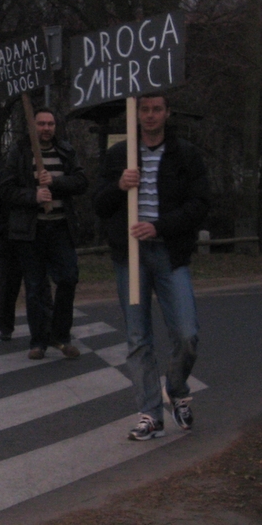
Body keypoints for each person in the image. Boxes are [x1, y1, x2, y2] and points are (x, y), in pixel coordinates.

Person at [93, 93, 209, 441]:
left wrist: (159, 226)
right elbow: (98, 204)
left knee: (187, 334)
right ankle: (149, 414)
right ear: (136, 113)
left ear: (167, 113)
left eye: (157, 109)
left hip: (169, 253)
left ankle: (175, 388)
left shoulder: (185, 154)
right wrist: (119, 185)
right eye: (144, 109)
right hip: (130, 254)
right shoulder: (119, 155)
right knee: (137, 337)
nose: (150, 115)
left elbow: (199, 205)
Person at [1, 107, 88, 360]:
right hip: (32, 230)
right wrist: (33, 196)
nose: (46, 128)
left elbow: (81, 182)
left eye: (50, 124)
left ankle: (60, 335)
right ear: (33, 126)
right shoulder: (18, 152)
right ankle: (38, 341)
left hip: (61, 227)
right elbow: (6, 190)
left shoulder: (66, 151)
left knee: (68, 278)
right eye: (41, 124)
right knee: (36, 286)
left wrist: (55, 182)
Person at [0, 169, 52, 342]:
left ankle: (44, 326)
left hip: (35, 235)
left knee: (39, 285)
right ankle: (6, 326)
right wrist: (2, 228)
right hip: (10, 236)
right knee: (8, 284)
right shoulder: (4, 174)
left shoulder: (39, 171)